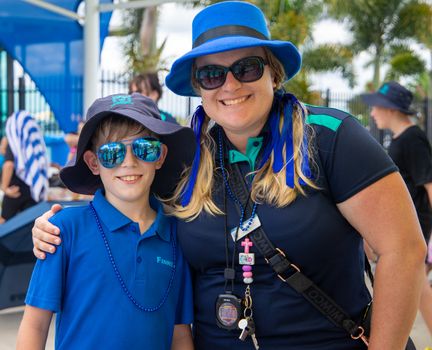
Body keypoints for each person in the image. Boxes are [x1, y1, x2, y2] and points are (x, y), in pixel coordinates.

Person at [31, 2, 426, 349]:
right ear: (199, 88)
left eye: (246, 67)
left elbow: (403, 251)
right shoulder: (184, 161)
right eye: (212, 75)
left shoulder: (331, 138)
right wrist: (54, 228)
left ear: (273, 74)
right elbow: (126, 203)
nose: (230, 84)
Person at [17, 93, 195, 349]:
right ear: (93, 162)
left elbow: (179, 333)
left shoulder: (175, 234)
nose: (129, 162)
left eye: (144, 149)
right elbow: (35, 324)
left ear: (160, 156)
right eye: (113, 152)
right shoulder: (64, 230)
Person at [362, 81, 432, 336]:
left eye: (376, 107)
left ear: (390, 109)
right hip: (404, 223)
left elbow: (429, 184)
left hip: (416, 225)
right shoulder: (401, 139)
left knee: (416, 286)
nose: (372, 113)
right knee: (417, 286)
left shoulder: (413, 139)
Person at [1, 111, 48, 222]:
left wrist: (4, 188)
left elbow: (8, 165)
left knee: (4, 222)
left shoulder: (15, 142)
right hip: (31, 190)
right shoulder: (31, 144)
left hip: (14, 190)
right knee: (28, 223)